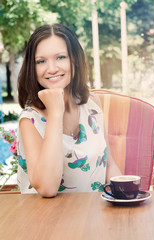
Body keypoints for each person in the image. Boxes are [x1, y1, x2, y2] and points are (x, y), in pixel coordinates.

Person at [17, 23, 121, 197]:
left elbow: (109, 165)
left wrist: (125, 195)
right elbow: (47, 188)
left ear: (75, 60)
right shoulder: (29, 120)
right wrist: (56, 111)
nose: (51, 68)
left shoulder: (92, 104)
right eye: (41, 61)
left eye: (60, 57)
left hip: (93, 216)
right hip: (48, 221)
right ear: (32, 68)